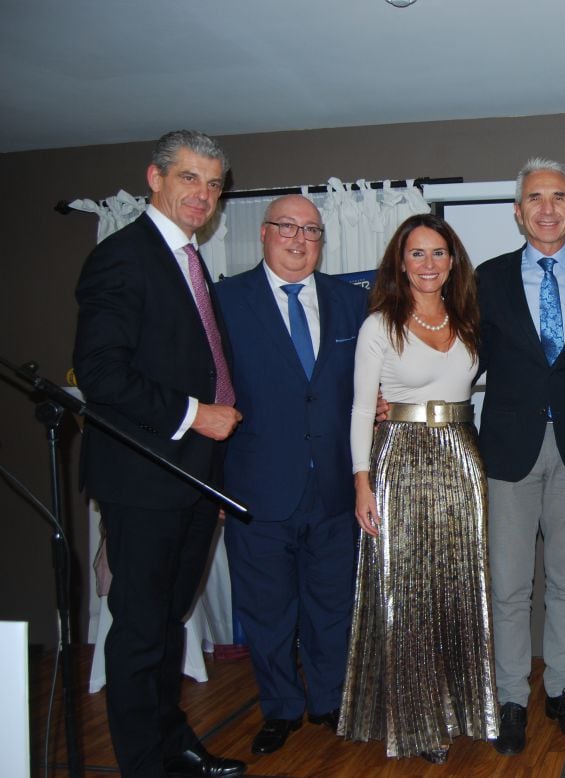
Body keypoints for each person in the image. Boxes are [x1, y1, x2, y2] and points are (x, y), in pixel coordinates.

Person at [73, 129, 245, 777]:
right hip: (144, 479)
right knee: (142, 630)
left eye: (212, 183)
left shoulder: (190, 260)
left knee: (169, 625)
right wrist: (196, 415)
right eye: (189, 178)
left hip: (194, 480)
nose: (202, 194)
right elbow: (101, 373)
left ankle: (172, 743)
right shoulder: (124, 257)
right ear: (155, 178)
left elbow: (202, 363)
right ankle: (145, 764)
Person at [339, 213, 497, 763]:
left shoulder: (469, 318)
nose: (428, 264)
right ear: (400, 262)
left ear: (452, 261)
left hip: (461, 458)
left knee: (458, 586)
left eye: (438, 253)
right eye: (417, 254)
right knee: (407, 591)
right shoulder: (379, 325)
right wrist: (362, 483)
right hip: (400, 461)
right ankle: (417, 719)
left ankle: (463, 709)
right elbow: (362, 407)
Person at [215, 195, 368, 756]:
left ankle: (328, 701)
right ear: (263, 233)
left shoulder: (351, 303)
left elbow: (365, 382)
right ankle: (280, 707)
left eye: (311, 230)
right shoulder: (224, 301)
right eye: (287, 227)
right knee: (267, 611)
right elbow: (210, 392)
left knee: (332, 608)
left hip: (332, 487)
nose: (299, 239)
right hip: (255, 488)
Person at [476, 157, 565, 755]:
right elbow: (458, 354)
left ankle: (560, 688)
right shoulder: (485, 278)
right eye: (535, 196)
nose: (548, 207)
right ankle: (512, 698)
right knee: (509, 586)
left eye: (559, 196)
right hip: (510, 450)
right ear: (517, 210)